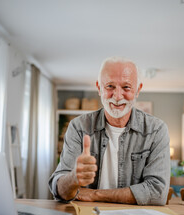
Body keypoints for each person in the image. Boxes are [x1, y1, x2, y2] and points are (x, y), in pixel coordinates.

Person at [48, 56, 170, 205]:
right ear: (99, 88)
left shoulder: (156, 130)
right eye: (110, 86)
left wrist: (95, 194)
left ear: (138, 90)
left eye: (126, 87)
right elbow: (59, 191)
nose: (118, 96)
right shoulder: (78, 127)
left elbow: (157, 193)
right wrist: (74, 177)